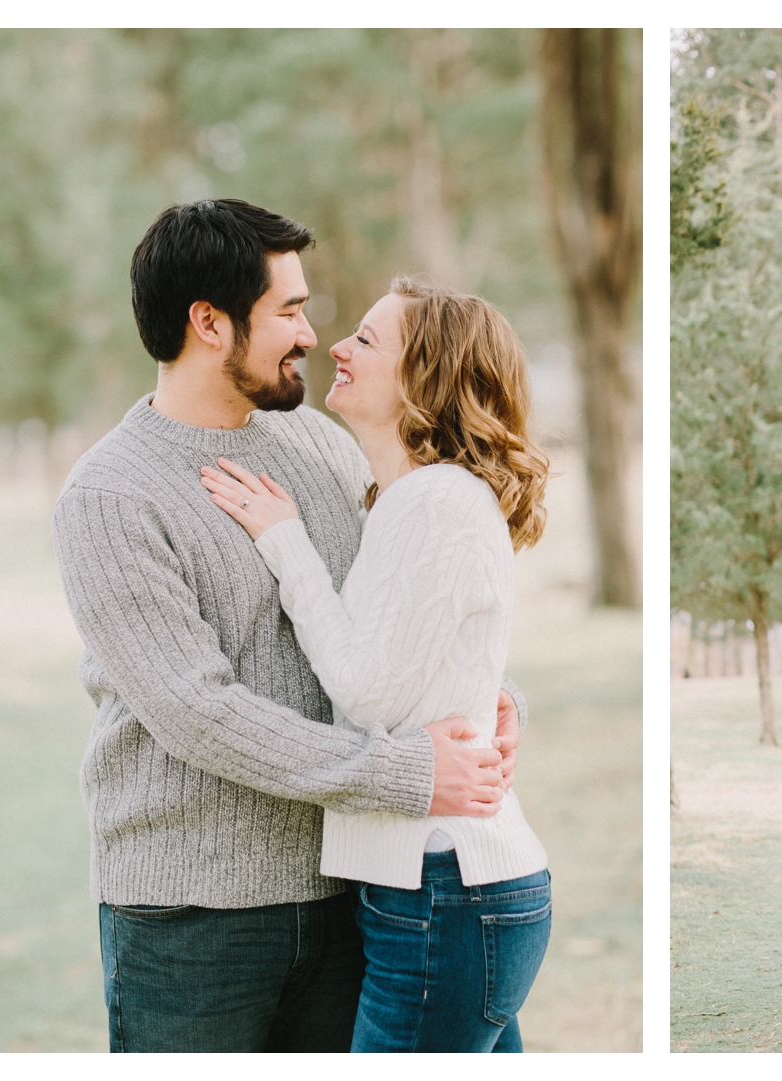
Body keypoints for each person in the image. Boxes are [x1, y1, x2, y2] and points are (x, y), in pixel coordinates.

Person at [51, 199, 526, 1053]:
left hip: (348, 892)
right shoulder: (110, 495)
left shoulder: (323, 447)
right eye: (289, 310)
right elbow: (198, 712)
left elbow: (392, 610)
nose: (312, 333)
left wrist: (487, 697)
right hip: (193, 919)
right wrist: (407, 773)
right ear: (209, 323)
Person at [200, 277, 552, 1052]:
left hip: (444, 889)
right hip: (441, 890)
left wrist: (285, 543)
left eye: (366, 339)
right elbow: (438, 664)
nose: (337, 346)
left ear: (423, 375)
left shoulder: (435, 501)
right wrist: (504, 698)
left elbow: (368, 688)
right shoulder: (409, 498)